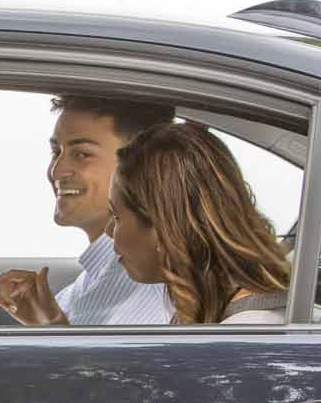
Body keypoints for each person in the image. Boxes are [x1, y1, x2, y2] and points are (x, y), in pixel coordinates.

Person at [0, 96, 175, 325]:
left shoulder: (152, 292)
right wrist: (49, 324)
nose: (56, 171)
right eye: (56, 152)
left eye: (81, 154)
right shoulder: (83, 285)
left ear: (142, 165)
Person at [108, 121, 289, 324]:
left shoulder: (244, 332)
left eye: (116, 216)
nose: (108, 231)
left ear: (161, 226)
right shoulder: (215, 311)